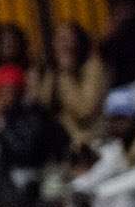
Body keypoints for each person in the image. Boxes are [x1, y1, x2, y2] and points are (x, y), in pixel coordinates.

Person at [30, 20, 109, 149]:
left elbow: (85, 110)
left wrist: (66, 74)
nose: (63, 44)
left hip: (92, 143)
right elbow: (44, 107)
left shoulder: (92, 66)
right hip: (63, 147)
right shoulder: (52, 70)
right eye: (59, 39)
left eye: (68, 38)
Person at [102, 0, 135, 90]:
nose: (122, 10)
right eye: (117, 5)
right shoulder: (111, 37)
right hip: (118, 93)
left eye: (126, 4)